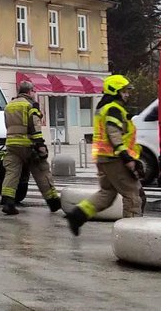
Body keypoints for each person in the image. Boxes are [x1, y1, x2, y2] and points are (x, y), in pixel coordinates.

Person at [65, 75, 145, 235]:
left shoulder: (105, 107)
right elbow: (113, 133)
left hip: (104, 158)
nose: (127, 94)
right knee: (133, 195)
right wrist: (126, 157)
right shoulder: (113, 108)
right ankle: (131, 234)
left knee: (107, 194)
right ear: (115, 91)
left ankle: (78, 215)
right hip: (115, 159)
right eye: (124, 91)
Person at [0, 81, 61, 215]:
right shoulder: (30, 105)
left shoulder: (9, 106)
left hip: (11, 145)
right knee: (41, 171)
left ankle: (8, 202)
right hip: (28, 145)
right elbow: (35, 127)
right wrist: (40, 146)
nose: (34, 93)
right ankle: (53, 202)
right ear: (29, 92)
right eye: (33, 91)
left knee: (12, 173)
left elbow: (6, 125)